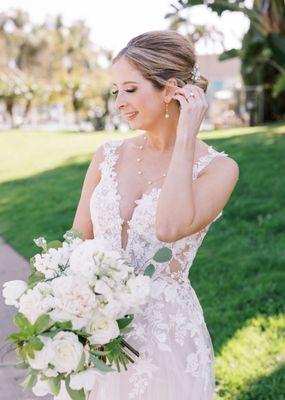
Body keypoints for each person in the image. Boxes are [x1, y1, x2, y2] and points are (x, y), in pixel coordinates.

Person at [72, 30, 239, 400]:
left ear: (171, 89)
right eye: (116, 91)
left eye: (130, 89)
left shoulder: (219, 169)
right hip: (94, 329)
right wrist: (74, 316)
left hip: (165, 336)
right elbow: (77, 241)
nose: (119, 102)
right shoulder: (107, 155)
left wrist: (185, 139)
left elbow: (170, 228)